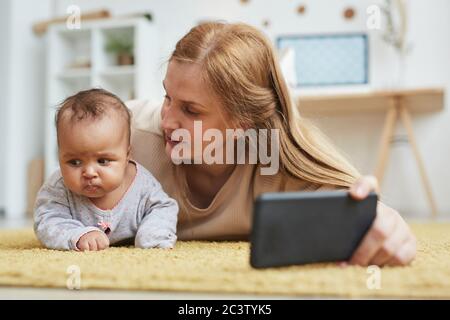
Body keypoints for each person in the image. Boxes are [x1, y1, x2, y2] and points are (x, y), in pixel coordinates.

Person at [128, 22, 416, 266]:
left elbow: (358, 203)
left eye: (191, 110)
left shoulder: (280, 156)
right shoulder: (126, 134)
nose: (167, 121)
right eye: (167, 97)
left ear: (242, 123)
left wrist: (384, 219)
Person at [34, 88, 178, 251]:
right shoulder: (58, 188)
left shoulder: (142, 184)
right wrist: (78, 235)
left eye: (102, 161)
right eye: (74, 162)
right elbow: (47, 222)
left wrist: (154, 232)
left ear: (127, 156)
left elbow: (164, 207)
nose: (89, 172)